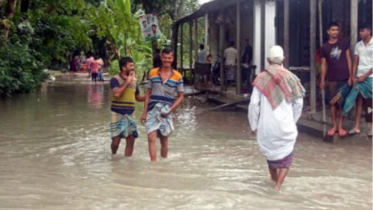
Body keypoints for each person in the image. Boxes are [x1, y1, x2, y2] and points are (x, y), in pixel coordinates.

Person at [248, 46, 305, 191]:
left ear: (268, 60)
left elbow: (254, 104)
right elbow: (299, 102)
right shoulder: (291, 78)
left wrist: (253, 125)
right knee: (287, 158)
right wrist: (293, 121)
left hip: (266, 126)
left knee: (271, 156)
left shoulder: (260, 78)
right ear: (283, 60)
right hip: (286, 125)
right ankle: (278, 186)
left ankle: (274, 181)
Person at [140, 48, 184, 162]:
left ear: (172, 59)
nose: (167, 60)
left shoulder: (178, 76)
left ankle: (163, 163)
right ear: (161, 58)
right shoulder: (153, 72)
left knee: (164, 140)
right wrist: (144, 112)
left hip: (166, 110)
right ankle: (153, 165)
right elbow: (148, 93)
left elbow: (181, 96)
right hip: (152, 109)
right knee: (151, 137)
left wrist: (170, 110)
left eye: (169, 58)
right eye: (165, 57)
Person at [320, 22, 352, 137]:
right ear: (328, 32)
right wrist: (322, 80)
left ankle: (340, 126)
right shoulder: (324, 47)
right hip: (332, 78)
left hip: (344, 77)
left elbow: (349, 59)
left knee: (341, 102)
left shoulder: (344, 43)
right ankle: (334, 125)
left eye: (337, 30)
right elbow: (323, 65)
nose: (335, 32)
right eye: (333, 30)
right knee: (333, 103)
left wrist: (351, 76)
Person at [341, 23, 372, 136]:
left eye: (362, 30)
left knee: (369, 102)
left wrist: (366, 75)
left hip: (370, 77)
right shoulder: (358, 45)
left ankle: (371, 127)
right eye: (359, 31)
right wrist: (353, 76)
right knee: (358, 101)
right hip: (359, 77)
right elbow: (355, 62)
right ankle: (357, 126)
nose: (360, 33)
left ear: (369, 31)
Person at [110, 57, 145, 156]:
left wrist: (148, 96)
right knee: (116, 141)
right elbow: (117, 94)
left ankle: (128, 163)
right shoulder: (114, 79)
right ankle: (113, 156)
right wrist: (127, 82)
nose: (133, 67)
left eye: (133, 65)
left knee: (131, 139)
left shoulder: (134, 81)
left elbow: (137, 97)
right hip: (117, 112)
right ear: (123, 67)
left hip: (130, 113)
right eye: (131, 66)